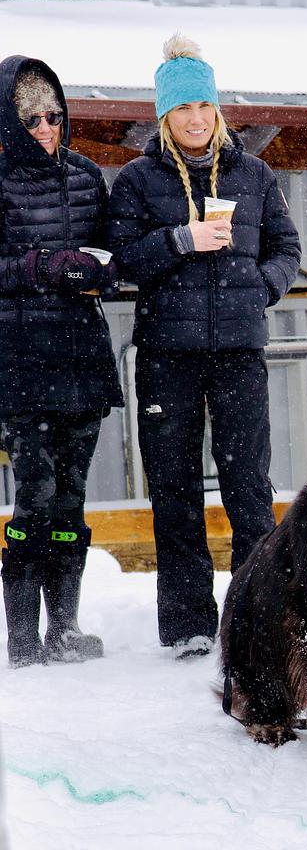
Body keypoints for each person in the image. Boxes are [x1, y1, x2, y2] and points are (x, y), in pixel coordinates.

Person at [108, 34, 300, 659]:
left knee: (249, 486)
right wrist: (179, 240)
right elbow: (121, 261)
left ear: (217, 110)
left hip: (240, 352)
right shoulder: (138, 180)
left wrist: (261, 288)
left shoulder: (255, 174)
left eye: (204, 107)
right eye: (182, 109)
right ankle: (188, 624)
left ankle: (256, 617)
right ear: (164, 116)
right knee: (175, 489)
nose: (195, 120)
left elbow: (287, 248)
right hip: (168, 355)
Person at [0, 55, 123, 667]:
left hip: (82, 356)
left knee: (73, 495)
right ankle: (23, 636)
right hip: (22, 360)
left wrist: (101, 272)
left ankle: (65, 627)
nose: (46, 129)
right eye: (32, 120)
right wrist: (41, 265)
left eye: (53, 116)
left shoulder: (85, 175)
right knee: (36, 492)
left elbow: (114, 253)